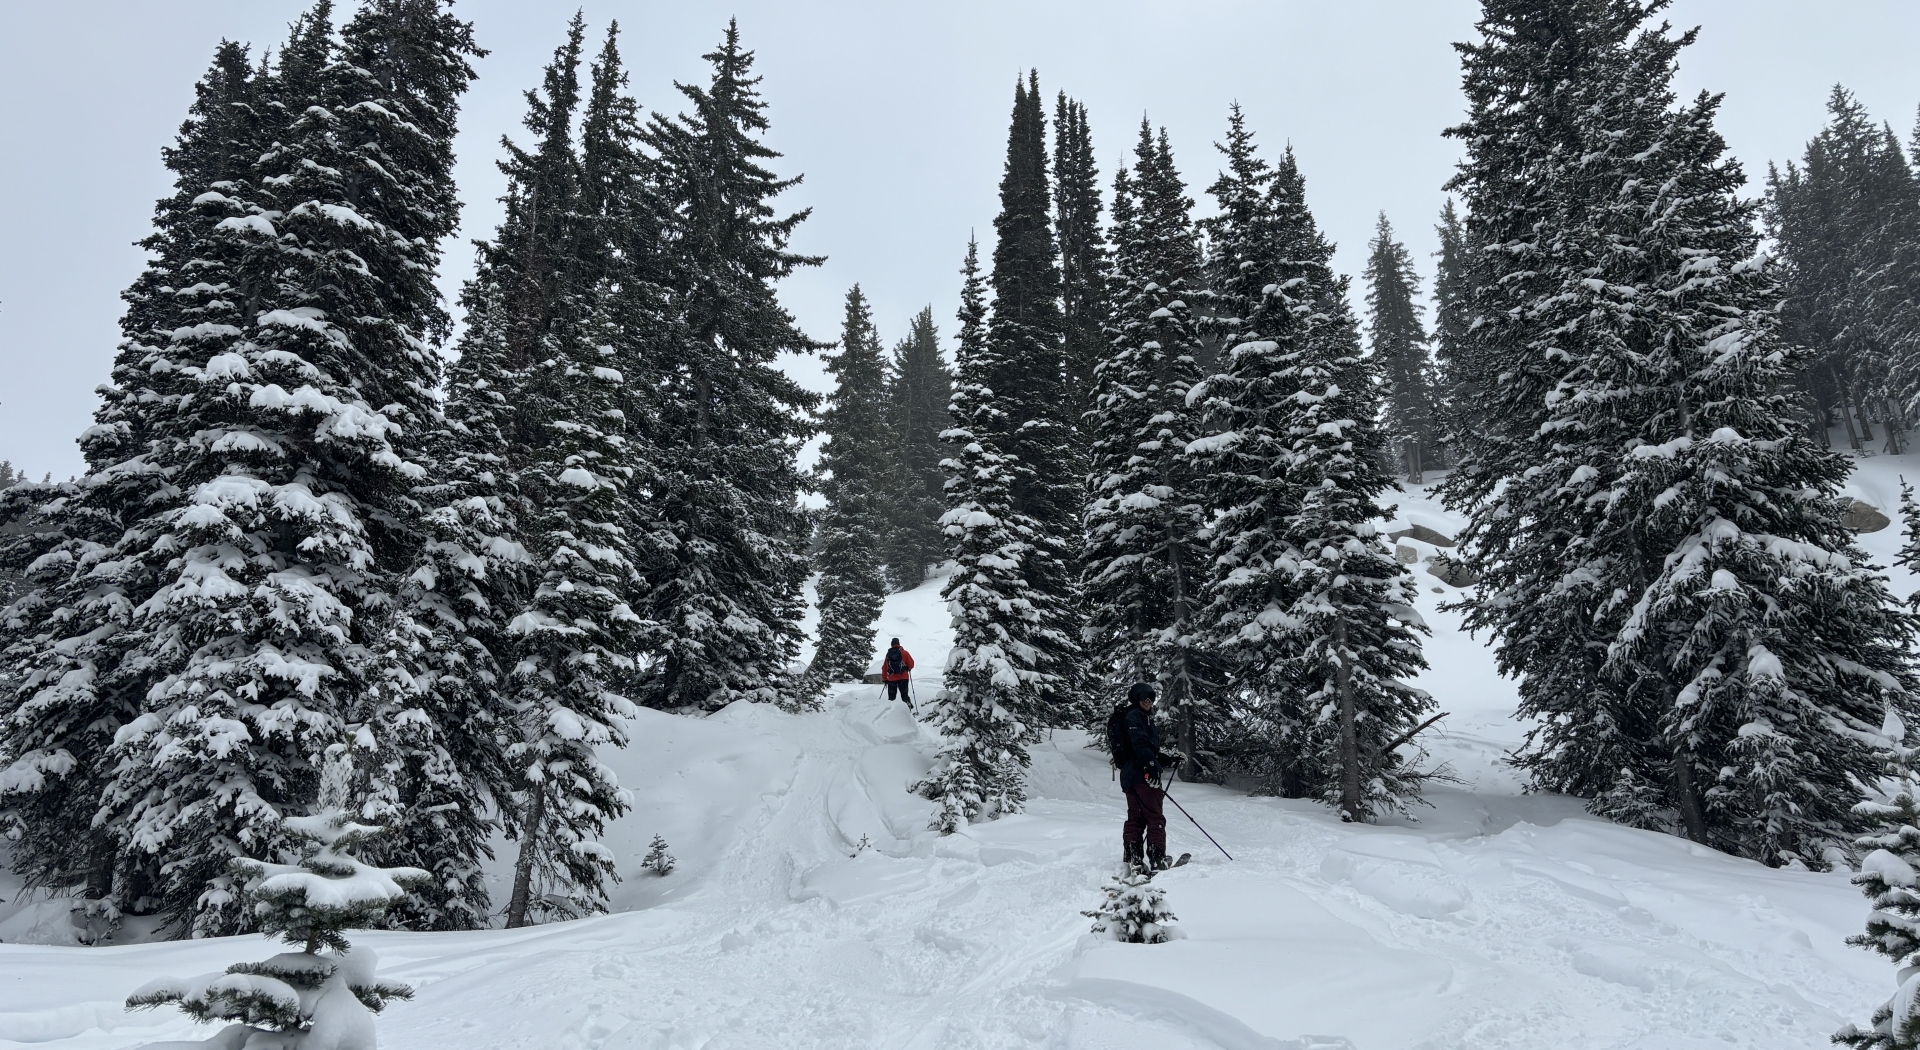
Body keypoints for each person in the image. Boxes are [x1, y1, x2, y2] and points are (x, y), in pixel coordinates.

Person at [1119, 682, 1181, 871]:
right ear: (1136, 699)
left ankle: (1133, 858)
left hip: (1129, 775)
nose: (1148, 701)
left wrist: (1168, 760)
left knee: (1135, 817)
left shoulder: (1130, 717)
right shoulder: (1137, 716)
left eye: (1151, 698)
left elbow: (1144, 749)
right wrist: (1152, 766)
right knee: (1154, 816)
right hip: (1142, 775)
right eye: (1144, 697)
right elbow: (1140, 746)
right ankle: (1157, 858)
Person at [880, 638, 915, 704]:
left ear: (892, 644)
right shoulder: (905, 653)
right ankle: (907, 708)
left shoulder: (889, 654)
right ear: (899, 643)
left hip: (892, 678)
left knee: (891, 697)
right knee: (904, 695)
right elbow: (911, 664)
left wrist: (885, 678)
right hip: (903, 678)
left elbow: (885, 667)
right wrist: (907, 668)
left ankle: (891, 710)